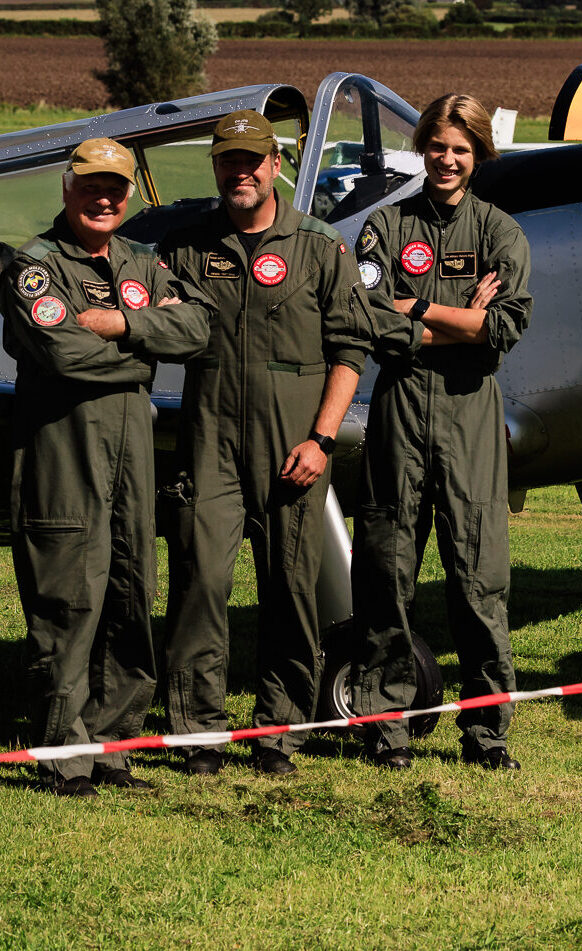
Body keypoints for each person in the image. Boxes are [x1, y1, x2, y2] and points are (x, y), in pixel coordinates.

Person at [158, 109, 372, 777]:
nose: (240, 171)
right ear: (216, 167)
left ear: (275, 165)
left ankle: (278, 733)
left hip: (294, 444)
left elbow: (351, 348)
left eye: (253, 159)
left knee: (290, 589)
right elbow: (153, 309)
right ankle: (197, 731)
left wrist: (322, 438)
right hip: (210, 439)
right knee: (201, 583)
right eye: (229, 160)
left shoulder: (316, 244)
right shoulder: (188, 244)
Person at [0, 137, 209, 797]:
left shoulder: (142, 261)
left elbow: (200, 328)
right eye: (92, 184)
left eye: (116, 187)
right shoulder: (33, 267)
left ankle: (114, 748)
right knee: (68, 598)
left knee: (129, 592)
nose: (105, 197)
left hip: (131, 458)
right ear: (68, 188)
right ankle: (65, 757)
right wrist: (149, 339)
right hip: (64, 456)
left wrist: (120, 325)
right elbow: (65, 357)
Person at [349, 94, 533, 770]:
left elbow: (503, 329)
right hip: (399, 408)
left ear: (478, 153)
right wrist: (458, 314)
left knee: (479, 578)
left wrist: (418, 305)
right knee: (387, 569)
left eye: (461, 148)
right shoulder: (386, 227)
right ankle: (385, 728)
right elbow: (370, 316)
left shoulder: (501, 233)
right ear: (422, 148)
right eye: (437, 146)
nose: (447, 159)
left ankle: (487, 736)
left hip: (470, 411)